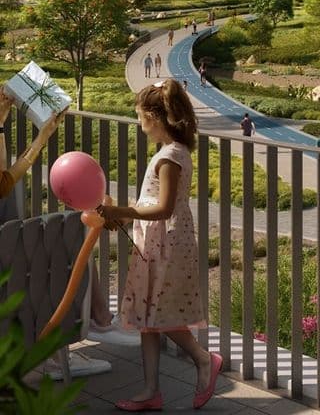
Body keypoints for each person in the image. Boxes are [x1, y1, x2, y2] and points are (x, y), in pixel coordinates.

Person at [97, 81, 223, 410]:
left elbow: (165, 208)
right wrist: (127, 213)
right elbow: (154, 202)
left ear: (154, 117)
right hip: (158, 241)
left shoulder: (170, 157)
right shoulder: (172, 151)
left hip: (166, 243)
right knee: (147, 316)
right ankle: (151, 390)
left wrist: (122, 212)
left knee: (158, 314)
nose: (139, 123)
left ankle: (203, 359)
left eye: (140, 116)